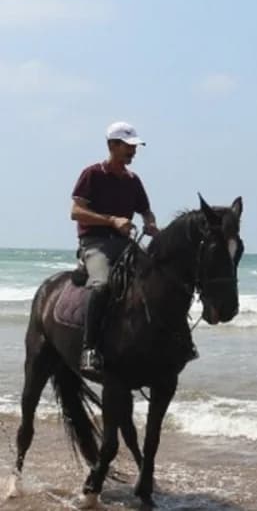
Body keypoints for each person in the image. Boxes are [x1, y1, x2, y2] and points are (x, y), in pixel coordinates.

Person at [71, 121, 159, 373]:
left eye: (135, 147)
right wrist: (111, 220)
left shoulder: (133, 180)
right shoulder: (93, 174)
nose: (133, 151)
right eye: (128, 146)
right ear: (112, 145)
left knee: (160, 278)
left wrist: (151, 224)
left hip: (125, 244)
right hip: (96, 243)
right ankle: (89, 349)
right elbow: (76, 211)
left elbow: (146, 211)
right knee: (103, 285)